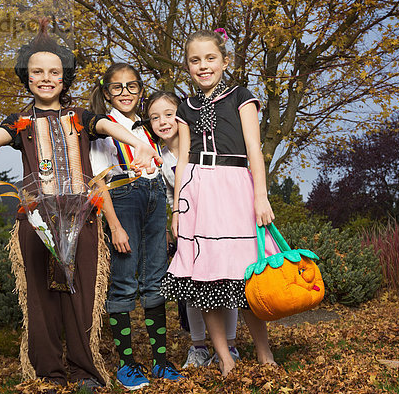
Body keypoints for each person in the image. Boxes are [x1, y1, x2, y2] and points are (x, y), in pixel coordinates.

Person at [0, 21, 162, 392]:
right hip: (36, 220)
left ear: (64, 78)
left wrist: (144, 147)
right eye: (37, 71)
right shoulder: (19, 122)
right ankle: (49, 374)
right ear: (27, 77)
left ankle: (85, 372)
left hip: (82, 217)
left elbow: (112, 128)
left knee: (82, 296)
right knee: (40, 298)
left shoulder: (82, 117)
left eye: (54, 72)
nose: (46, 78)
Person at [160, 29, 278, 378]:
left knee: (249, 274)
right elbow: (181, 161)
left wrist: (260, 196)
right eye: (195, 60)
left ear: (225, 61)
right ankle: (224, 357)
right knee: (206, 278)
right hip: (200, 191)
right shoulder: (185, 107)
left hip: (237, 186)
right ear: (188, 66)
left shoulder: (241, 97)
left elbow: (254, 149)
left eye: (210, 58)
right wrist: (178, 209)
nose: (203, 66)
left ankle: (263, 350)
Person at [88, 63, 183, 390]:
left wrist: (172, 212)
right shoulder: (102, 128)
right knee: (124, 284)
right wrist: (114, 225)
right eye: (117, 87)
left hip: (156, 202)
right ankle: (127, 364)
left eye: (132, 86)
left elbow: (168, 171)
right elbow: (100, 182)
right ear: (107, 93)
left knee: (156, 281)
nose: (125, 92)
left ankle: (160, 361)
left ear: (141, 92)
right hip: (123, 203)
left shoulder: (148, 128)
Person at [145, 91, 241, 369]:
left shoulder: (204, 146)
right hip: (187, 226)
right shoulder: (159, 158)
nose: (163, 122)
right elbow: (164, 195)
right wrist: (167, 225)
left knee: (227, 281)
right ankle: (198, 346)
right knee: (192, 287)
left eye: (168, 114)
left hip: (218, 220)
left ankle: (230, 346)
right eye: (154, 117)